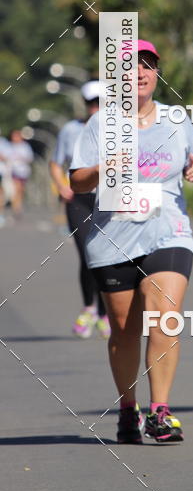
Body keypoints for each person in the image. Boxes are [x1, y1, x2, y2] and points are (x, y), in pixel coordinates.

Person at [70, 40, 193, 444]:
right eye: (130, 68)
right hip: (113, 238)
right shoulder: (100, 125)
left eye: (148, 65)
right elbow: (76, 179)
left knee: (164, 317)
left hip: (169, 231)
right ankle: (128, 409)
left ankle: (160, 412)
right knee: (125, 332)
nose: (140, 73)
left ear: (156, 73)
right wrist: (103, 168)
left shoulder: (177, 119)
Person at [49, 81, 110, 338]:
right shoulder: (71, 130)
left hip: (109, 200)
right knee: (88, 252)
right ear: (85, 105)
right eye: (91, 103)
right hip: (79, 200)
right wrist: (62, 186)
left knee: (107, 257)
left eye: (100, 103)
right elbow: (55, 163)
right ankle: (89, 309)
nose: (95, 108)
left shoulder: (119, 129)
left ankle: (106, 314)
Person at [3, 129, 34, 219]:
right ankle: (16, 208)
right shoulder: (9, 146)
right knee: (16, 188)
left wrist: (22, 158)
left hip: (23, 172)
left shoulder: (25, 146)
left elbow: (30, 158)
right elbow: (4, 157)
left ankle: (18, 205)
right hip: (12, 171)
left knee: (20, 190)